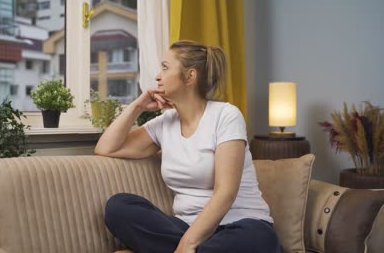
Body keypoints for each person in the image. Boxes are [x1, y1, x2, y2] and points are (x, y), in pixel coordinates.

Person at [95, 40, 282, 253]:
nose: (157, 76)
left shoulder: (226, 115)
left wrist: (187, 244)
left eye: (165, 68)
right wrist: (137, 106)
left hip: (241, 225)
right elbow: (106, 148)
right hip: (185, 227)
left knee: (259, 238)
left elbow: (226, 192)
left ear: (190, 76)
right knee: (119, 207)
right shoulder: (164, 123)